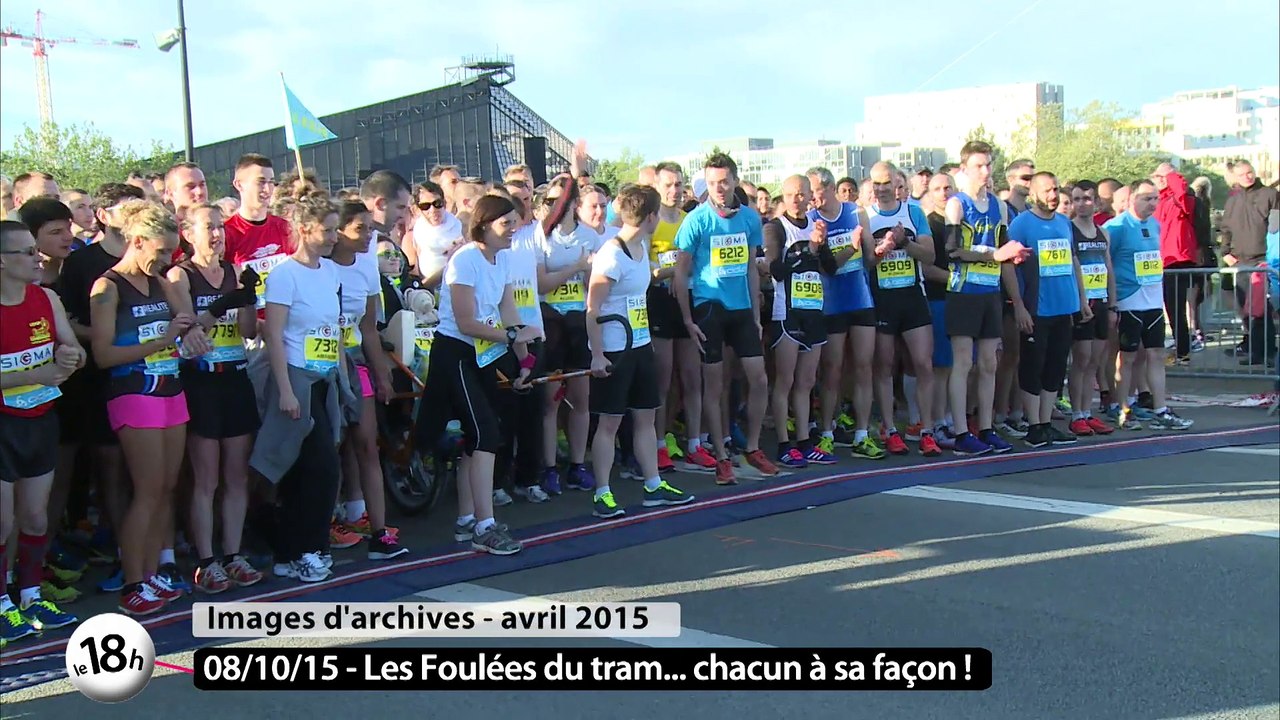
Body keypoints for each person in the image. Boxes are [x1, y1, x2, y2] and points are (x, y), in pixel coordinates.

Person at [89, 201, 213, 615]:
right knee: (145, 489)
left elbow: (190, 324)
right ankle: (133, 580)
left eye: (170, 253)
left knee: (166, 487)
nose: (165, 260)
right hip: (133, 393)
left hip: (171, 389)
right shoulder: (107, 287)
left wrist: (194, 335)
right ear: (136, 241)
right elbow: (104, 354)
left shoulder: (163, 282)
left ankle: (156, 572)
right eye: (159, 252)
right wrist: (163, 341)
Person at [416, 195, 541, 555]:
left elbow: (508, 311)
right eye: (506, 224)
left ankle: (467, 518)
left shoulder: (500, 260)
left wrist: (524, 361)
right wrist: (513, 337)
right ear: (484, 225)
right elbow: (467, 321)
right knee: (485, 431)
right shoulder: (465, 260)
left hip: (485, 353)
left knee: (480, 435)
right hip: (455, 353)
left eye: (516, 222)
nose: (514, 229)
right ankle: (484, 526)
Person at [251, 192, 355, 584]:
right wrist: (286, 391)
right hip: (295, 378)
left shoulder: (329, 272)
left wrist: (343, 382)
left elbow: (335, 331)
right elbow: (273, 336)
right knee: (316, 470)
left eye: (334, 230)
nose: (333, 237)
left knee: (312, 471)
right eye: (326, 230)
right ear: (304, 229)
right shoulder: (283, 275)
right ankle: (307, 550)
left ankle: (293, 550)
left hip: (325, 378)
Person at [166, 204, 263, 592]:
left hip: (236, 375)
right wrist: (224, 302)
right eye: (208, 228)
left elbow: (246, 330)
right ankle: (206, 560)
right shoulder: (180, 275)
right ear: (188, 234)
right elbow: (190, 332)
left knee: (237, 475)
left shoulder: (233, 272)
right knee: (206, 478)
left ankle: (233, 553)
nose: (217, 234)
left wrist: (249, 297)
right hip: (202, 379)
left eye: (221, 227)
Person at [585, 185, 694, 517]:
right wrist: (598, 354)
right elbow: (592, 309)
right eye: (656, 213)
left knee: (646, 417)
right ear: (650, 217)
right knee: (610, 423)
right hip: (615, 350)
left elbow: (640, 283)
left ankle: (653, 484)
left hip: (641, 343)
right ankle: (602, 492)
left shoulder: (641, 246)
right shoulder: (611, 255)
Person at [0, 220, 85, 644]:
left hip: (41, 420)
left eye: (36, 249)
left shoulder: (46, 298)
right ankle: (1, 605)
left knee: (34, 515)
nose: (37, 258)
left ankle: (31, 595)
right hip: (3, 424)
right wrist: (40, 371)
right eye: (25, 252)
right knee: (2, 521)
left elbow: (74, 350)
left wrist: (71, 356)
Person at [673, 153, 777, 484]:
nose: (720, 188)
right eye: (713, 183)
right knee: (714, 385)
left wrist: (756, 313)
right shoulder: (696, 220)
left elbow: (749, 267)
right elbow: (680, 272)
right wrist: (688, 319)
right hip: (708, 307)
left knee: (758, 379)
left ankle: (754, 447)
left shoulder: (749, 218)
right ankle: (720, 454)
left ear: (734, 180)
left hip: (741, 309)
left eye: (725, 182)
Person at [943, 141, 1030, 456]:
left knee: (990, 364)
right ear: (964, 169)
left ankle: (987, 426)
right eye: (979, 165)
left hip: (990, 292)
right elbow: (952, 251)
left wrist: (1013, 256)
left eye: (989, 164)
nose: (985, 171)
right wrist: (995, 254)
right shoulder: (957, 204)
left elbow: (1004, 252)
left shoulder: (1000, 205)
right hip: (964, 292)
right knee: (963, 362)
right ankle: (962, 432)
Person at [330, 201, 406, 559]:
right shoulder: (319, 266)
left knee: (366, 444)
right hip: (324, 364)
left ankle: (379, 530)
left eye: (371, 229)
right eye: (360, 229)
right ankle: (329, 522)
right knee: (330, 447)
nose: (368, 237)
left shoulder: (366, 267)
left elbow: (368, 327)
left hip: (357, 359)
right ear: (338, 231)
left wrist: (382, 373)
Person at [864, 162, 942, 457]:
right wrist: (881, 248)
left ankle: (926, 429)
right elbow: (867, 262)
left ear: (897, 182)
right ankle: (890, 428)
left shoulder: (913, 213)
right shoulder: (866, 216)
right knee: (884, 365)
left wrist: (904, 241)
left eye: (886, 182)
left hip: (912, 296)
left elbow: (930, 255)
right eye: (877, 183)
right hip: (882, 298)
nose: (882, 188)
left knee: (923, 363)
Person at [1005, 173, 1089, 447]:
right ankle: (1034, 425)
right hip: (1036, 308)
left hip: (1064, 307)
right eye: (1047, 190)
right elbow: (1008, 265)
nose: (1053, 195)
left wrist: (1083, 299)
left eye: (1055, 190)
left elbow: (1074, 261)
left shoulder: (1064, 223)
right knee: (1033, 366)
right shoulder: (1021, 224)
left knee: (1055, 368)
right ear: (1033, 193)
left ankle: (1046, 423)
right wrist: (1019, 306)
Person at [1103, 181, 1194, 431]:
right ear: (1132, 198)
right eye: (1146, 198)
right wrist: (1112, 301)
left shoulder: (1155, 225)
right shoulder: (1116, 227)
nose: (1152, 204)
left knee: (1155, 355)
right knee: (1128, 358)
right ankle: (1122, 408)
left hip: (1153, 300)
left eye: (1155, 199)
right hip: (1128, 300)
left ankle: (1160, 409)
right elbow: (1105, 261)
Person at [763, 176, 837, 468]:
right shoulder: (776, 227)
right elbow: (775, 269)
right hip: (787, 311)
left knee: (806, 381)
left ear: (810, 197)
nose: (796, 199)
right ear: (784, 195)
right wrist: (809, 249)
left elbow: (830, 267)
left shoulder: (816, 226)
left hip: (813, 310)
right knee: (786, 380)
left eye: (801, 194)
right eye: (791, 194)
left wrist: (823, 245)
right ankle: (784, 444)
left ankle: (805, 441)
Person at [807, 167, 880, 460]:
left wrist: (883, 247)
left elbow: (871, 258)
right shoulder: (812, 219)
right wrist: (850, 249)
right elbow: (827, 267)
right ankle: (826, 432)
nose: (812, 198)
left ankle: (862, 434)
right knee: (832, 370)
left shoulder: (856, 213)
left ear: (830, 188)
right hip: (831, 302)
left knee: (863, 367)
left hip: (860, 298)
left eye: (815, 191)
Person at [1065, 183, 1116, 436]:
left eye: (1087, 199)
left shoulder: (1103, 233)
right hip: (1081, 304)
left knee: (1095, 360)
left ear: (1096, 202)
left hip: (1102, 301)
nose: (1081, 204)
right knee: (1081, 358)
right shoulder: (1068, 231)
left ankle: (1087, 412)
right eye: (1076, 199)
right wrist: (1081, 302)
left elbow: (1109, 269)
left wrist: (1113, 305)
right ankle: (1076, 415)